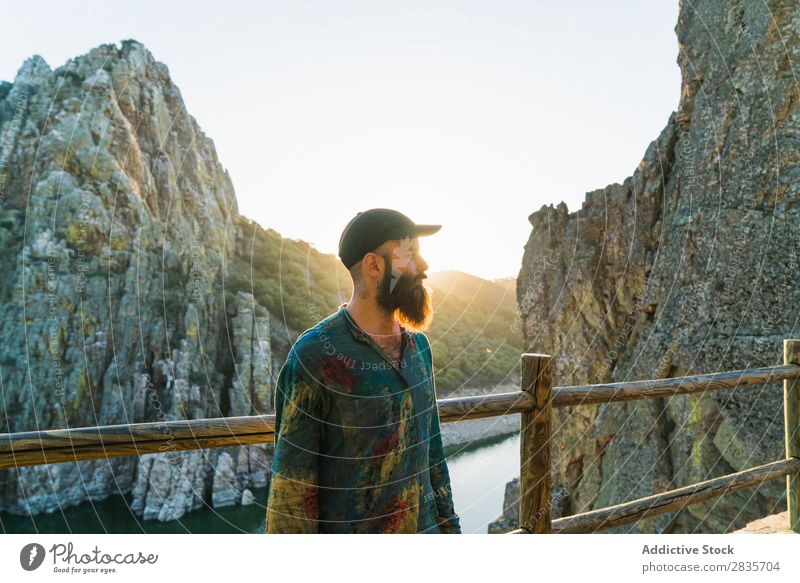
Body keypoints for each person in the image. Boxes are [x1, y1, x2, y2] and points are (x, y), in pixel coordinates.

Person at [265, 208, 461, 534]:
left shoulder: (420, 349)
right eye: (410, 254)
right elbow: (291, 494)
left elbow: (434, 456)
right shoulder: (315, 355)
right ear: (374, 265)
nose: (424, 266)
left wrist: (450, 528)